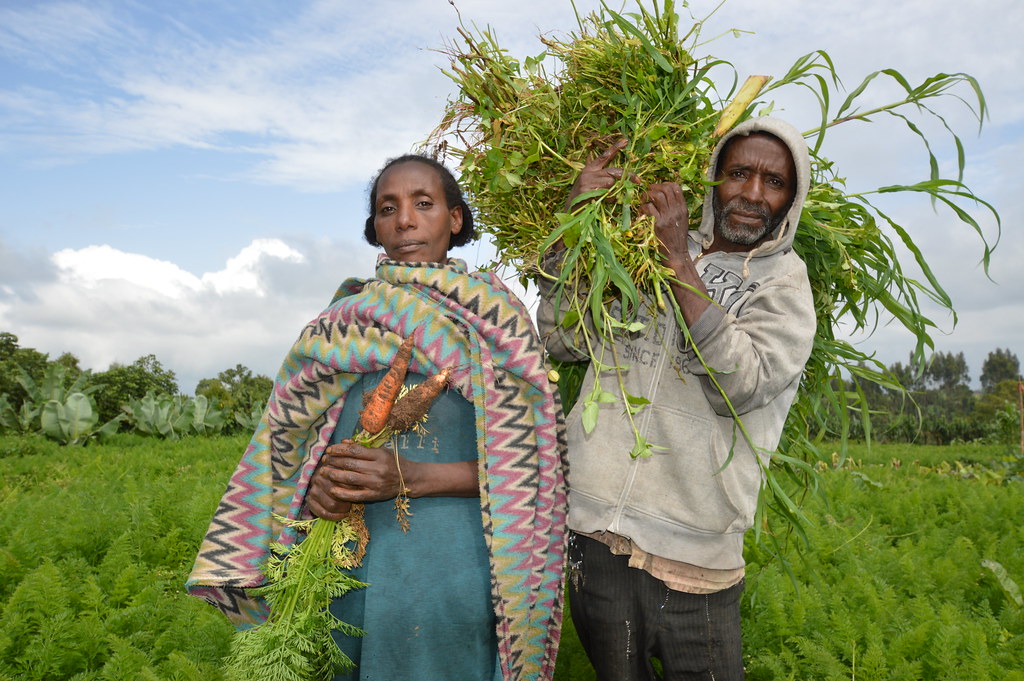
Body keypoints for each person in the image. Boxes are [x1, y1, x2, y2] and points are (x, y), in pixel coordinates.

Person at [187, 154, 568, 681]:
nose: (405, 220)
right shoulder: (340, 322)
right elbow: (288, 446)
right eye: (388, 208)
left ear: (455, 219)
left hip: (452, 571)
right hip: (341, 571)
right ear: (374, 227)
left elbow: (536, 467)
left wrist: (409, 477)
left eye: (423, 204)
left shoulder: (497, 321)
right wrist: (311, 489)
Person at [536, 116, 816, 680]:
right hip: (595, 537)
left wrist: (680, 264)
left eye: (773, 181)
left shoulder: (783, 286)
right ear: (713, 179)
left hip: (696, 561)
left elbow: (740, 388)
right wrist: (575, 225)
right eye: (738, 173)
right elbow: (560, 337)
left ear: (791, 198)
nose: (753, 194)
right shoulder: (637, 249)